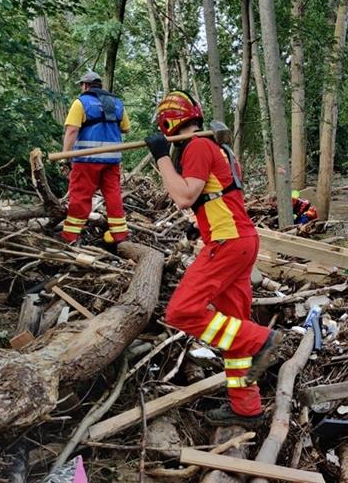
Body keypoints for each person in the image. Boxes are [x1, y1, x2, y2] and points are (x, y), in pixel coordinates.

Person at [144, 90, 282, 428]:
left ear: (168, 123)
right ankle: (247, 409)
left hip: (228, 241)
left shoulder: (197, 146)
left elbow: (184, 196)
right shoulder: (215, 147)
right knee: (232, 327)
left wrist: (161, 156)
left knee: (181, 311)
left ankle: (261, 339)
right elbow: (210, 198)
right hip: (240, 238)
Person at [60, 70, 130, 245]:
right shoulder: (117, 103)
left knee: (81, 195)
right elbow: (126, 128)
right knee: (113, 193)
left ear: (85, 86)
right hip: (112, 159)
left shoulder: (80, 102)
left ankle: (70, 237)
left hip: (87, 158)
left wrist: (64, 156)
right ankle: (119, 235)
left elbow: (72, 130)